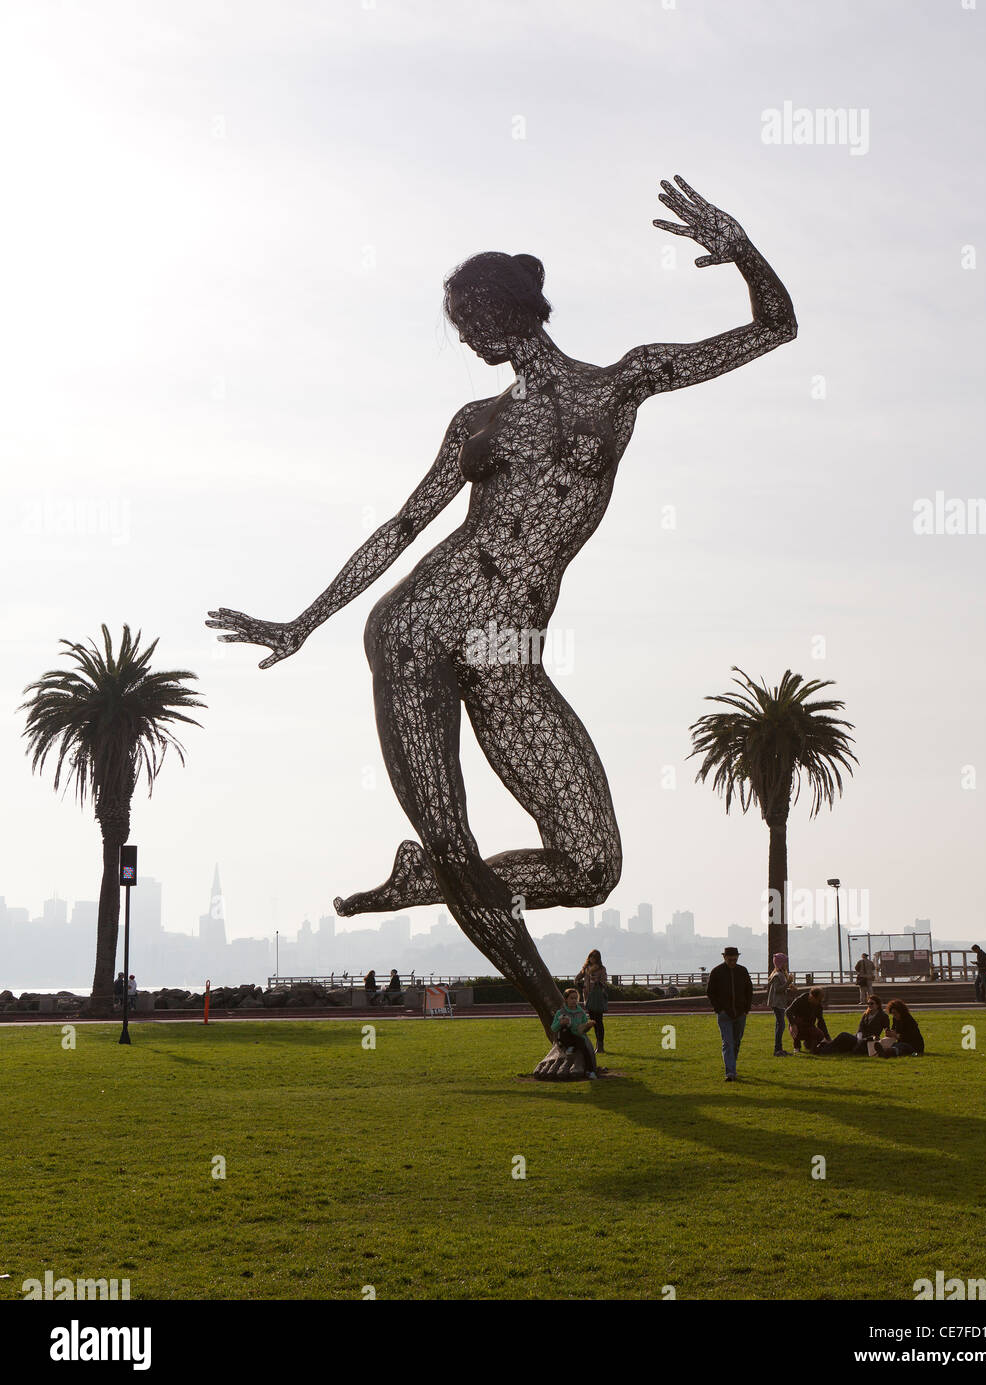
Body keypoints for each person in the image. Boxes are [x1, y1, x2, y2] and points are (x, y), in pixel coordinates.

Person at [207, 178, 797, 1036]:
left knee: (593, 866)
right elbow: (403, 524)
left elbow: (773, 328)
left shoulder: (622, 383)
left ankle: (433, 878)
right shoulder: (474, 421)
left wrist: (739, 249)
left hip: (510, 649)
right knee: (454, 838)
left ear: (513, 308)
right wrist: (303, 623)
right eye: (460, 328)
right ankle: (559, 1023)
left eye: (473, 319)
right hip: (419, 631)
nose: (468, 338)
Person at [707, 947, 754, 1081]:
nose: (733, 962)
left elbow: (749, 990)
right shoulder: (717, 972)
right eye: (730, 959)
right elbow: (710, 992)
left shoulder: (742, 971)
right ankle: (730, 1072)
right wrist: (719, 1009)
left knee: (736, 1041)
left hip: (740, 1013)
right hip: (724, 1014)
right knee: (727, 1043)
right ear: (724, 957)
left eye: (735, 959)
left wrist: (746, 1009)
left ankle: (732, 1064)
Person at [550, 988, 598, 1077]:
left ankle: (590, 1071)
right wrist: (560, 1023)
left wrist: (588, 1025)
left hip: (578, 1036)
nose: (574, 1001)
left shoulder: (581, 1013)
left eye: (576, 998)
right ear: (566, 999)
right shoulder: (560, 1012)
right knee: (565, 1030)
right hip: (565, 1037)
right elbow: (553, 1028)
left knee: (585, 1047)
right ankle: (570, 1046)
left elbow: (583, 1029)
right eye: (571, 998)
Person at [576, 949, 609, 1054]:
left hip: (597, 997)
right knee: (593, 1022)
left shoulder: (601, 969)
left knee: (599, 1021)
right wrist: (580, 984)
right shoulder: (586, 968)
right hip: (588, 997)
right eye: (591, 956)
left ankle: (600, 1046)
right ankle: (597, 1046)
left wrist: (597, 981)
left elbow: (604, 982)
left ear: (598, 958)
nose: (592, 958)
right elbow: (576, 979)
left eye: (595, 957)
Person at [786, 987, 831, 1054]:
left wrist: (827, 1038)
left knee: (820, 1035)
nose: (819, 1002)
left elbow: (821, 1021)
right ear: (812, 997)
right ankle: (797, 1047)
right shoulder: (800, 1000)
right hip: (797, 1026)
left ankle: (811, 1047)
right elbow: (788, 1011)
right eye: (818, 1000)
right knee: (797, 1023)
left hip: (809, 1026)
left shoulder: (818, 1006)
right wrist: (792, 1024)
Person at [765, 952, 793, 1057]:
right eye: (785, 962)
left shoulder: (781, 974)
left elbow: (782, 988)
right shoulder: (777, 975)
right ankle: (777, 1049)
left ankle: (779, 1049)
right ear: (781, 963)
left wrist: (789, 986)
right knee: (781, 1026)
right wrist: (788, 983)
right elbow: (778, 989)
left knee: (780, 1025)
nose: (786, 964)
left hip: (780, 1003)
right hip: (777, 1003)